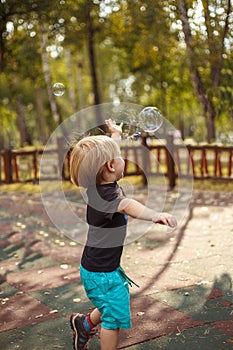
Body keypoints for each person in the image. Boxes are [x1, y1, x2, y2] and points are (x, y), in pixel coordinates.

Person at [69, 119, 177, 350]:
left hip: (100, 268)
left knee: (111, 302)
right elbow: (127, 205)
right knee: (113, 319)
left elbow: (109, 158)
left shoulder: (98, 186)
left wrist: (115, 136)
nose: (122, 160)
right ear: (110, 166)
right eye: (119, 157)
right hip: (101, 274)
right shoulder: (107, 197)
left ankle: (84, 324)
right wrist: (155, 215)